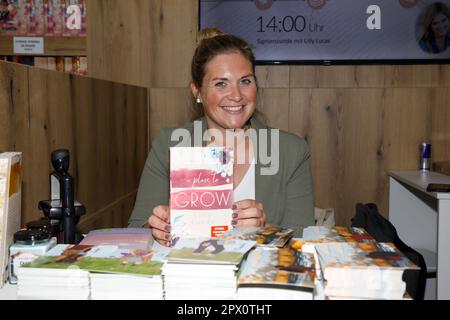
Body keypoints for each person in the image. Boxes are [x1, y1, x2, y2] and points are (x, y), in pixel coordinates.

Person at [128, 28, 314, 247]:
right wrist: (157, 228)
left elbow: (303, 240)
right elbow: (136, 229)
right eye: (220, 84)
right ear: (197, 91)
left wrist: (266, 231)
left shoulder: (291, 151)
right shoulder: (169, 145)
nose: (236, 95)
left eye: (245, 81)